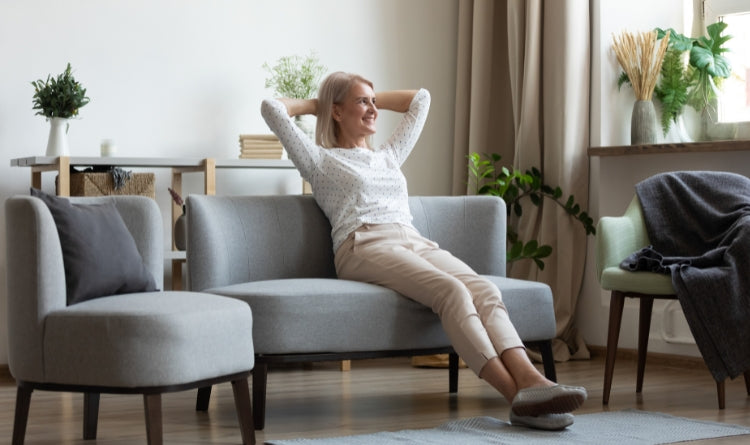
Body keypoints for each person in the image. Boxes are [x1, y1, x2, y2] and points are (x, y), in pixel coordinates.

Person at [261, 71, 587, 430]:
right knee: (452, 291)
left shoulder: (388, 156)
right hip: (364, 243)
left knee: (484, 289)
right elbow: (272, 109)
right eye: (362, 102)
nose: (373, 110)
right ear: (336, 113)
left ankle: (532, 380)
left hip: (412, 239)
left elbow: (420, 100)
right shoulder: (320, 161)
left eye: (374, 102)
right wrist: (322, 104)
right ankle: (515, 397)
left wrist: (366, 98)